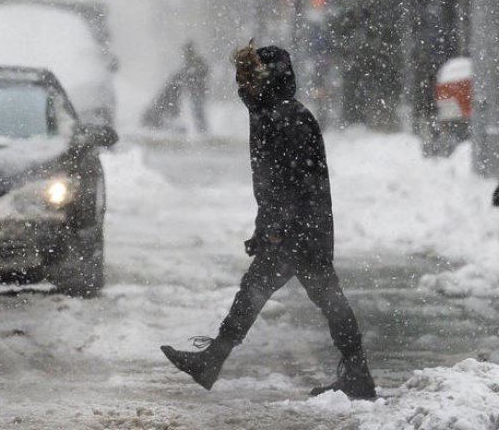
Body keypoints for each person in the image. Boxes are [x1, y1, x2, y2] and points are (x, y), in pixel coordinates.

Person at [160, 40, 376, 400]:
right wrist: (265, 228)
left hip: (298, 232)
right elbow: (275, 183)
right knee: (313, 298)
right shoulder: (273, 113)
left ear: (269, 80)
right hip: (302, 229)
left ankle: (213, 360)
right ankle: (357, 373)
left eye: (249, 79)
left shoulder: (285, 117)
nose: (242, 86)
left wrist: (276, 228)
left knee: (266, 293)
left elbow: (293, 181)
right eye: (241, 79)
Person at [140, 41, 210, 133]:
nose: (185, 54)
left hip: (196, 91)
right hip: (194, 91)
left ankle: (202, 130)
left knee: (197, 110)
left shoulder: (195, 61)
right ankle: (201, 130)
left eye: (186, 51)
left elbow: (202, 72)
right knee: (196, 111)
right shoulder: (191, 63)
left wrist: (193, 78)